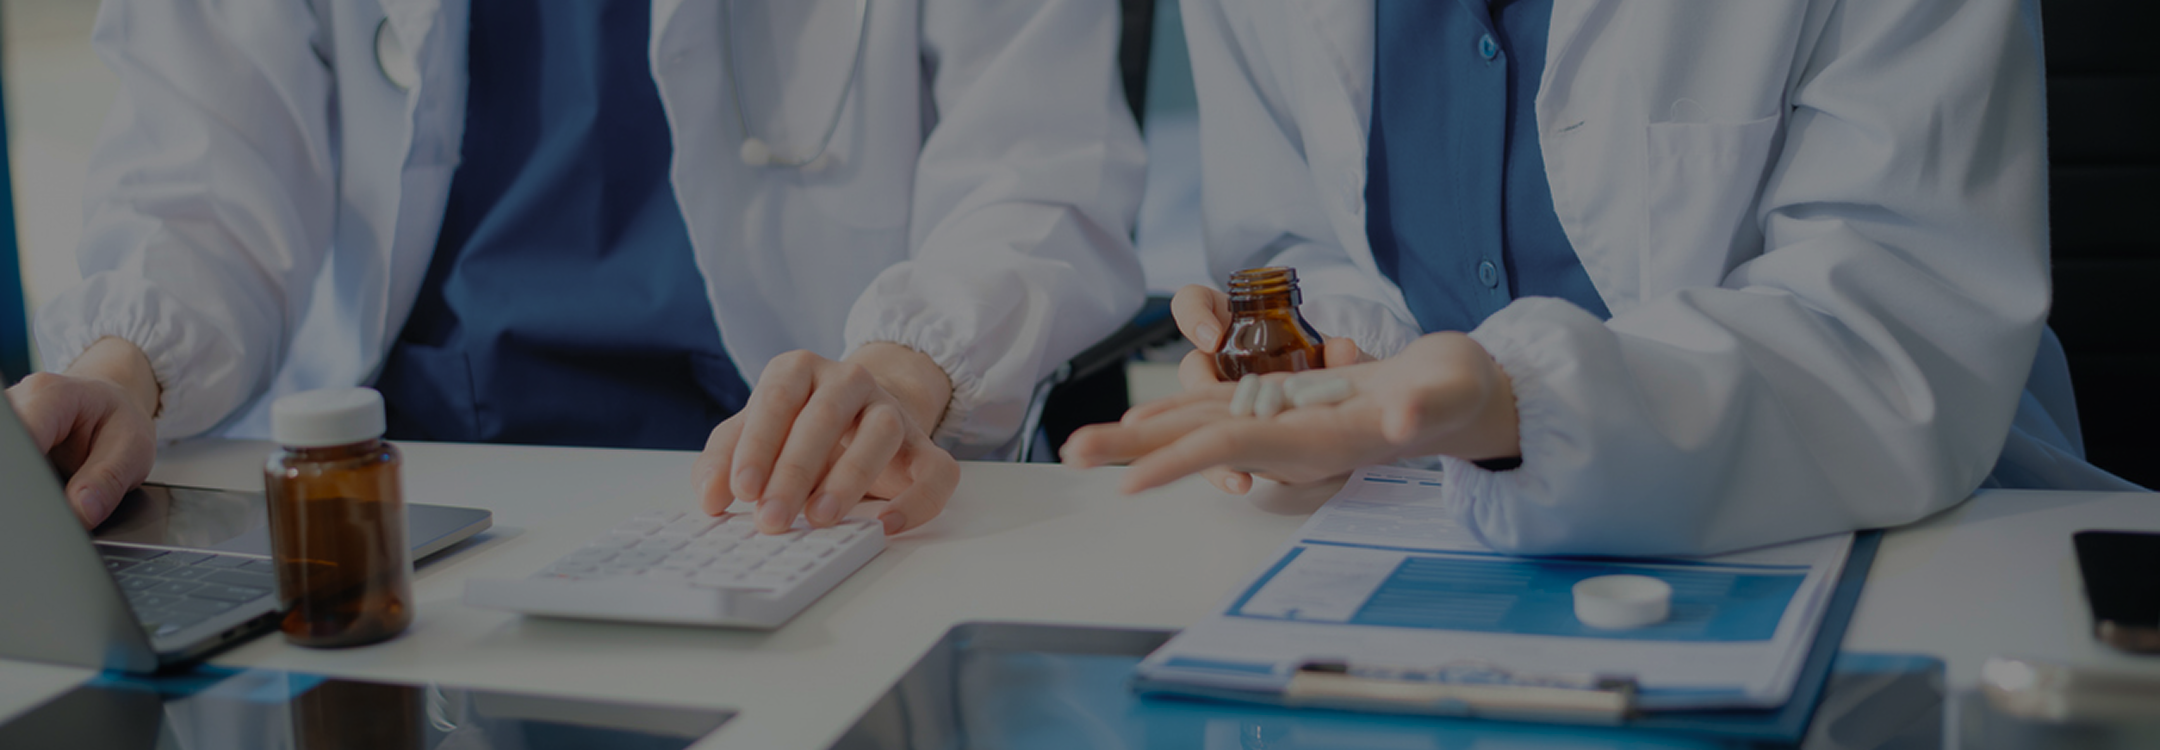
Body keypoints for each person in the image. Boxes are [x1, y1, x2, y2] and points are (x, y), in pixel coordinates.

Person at [5, 0, 1144, 536]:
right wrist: (122, 371)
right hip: (404, 497)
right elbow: (202, 172)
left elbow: (1039, 176)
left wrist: (901, 376)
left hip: (785, 494)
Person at [1063, 0, 2140, 556]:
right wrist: (1323, 372)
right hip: (1426, 544)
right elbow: (1306, 240)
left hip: (1882, 533)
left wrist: (1520, 403)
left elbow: (1895, 330)